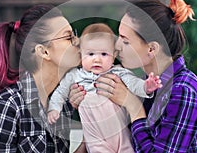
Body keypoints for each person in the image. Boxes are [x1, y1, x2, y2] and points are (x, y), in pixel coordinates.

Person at [70, 0, 197, 152]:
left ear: (151, 49)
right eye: (118, 36)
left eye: (125, 41)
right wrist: (91, 107)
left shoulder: (184, 91)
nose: (117, 46)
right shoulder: (141, 82)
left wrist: (134, 107)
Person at [0, 4, 86, 153]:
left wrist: (90, 135)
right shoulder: (8, 105)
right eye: (68, 37)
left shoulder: (63, 103)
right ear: (44, 52)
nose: (78, 42)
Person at [47, 23, 162, 152]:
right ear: (81, 54)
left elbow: (134, 84)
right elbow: (60, 93)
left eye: (104, 54)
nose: (97, 59)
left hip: (122, 135)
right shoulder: (75, 76)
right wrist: (54, 109)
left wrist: (147, 87)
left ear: (113, 55)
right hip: (96, 139)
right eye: (90, 54)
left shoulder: (118, 72)